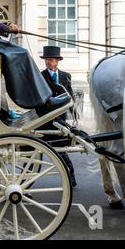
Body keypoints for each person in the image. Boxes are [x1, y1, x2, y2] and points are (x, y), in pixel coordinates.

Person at [40, 45, 77, 187]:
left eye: (51, 59)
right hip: (46, 116)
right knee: (40, 148)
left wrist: (74, 116)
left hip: (62, 116)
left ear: (57, 61)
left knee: (61, 148)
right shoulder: (41, 76)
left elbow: (71, 95)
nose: (49, 62)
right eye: (47, 59)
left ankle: (71, 175)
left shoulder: (66, 76)